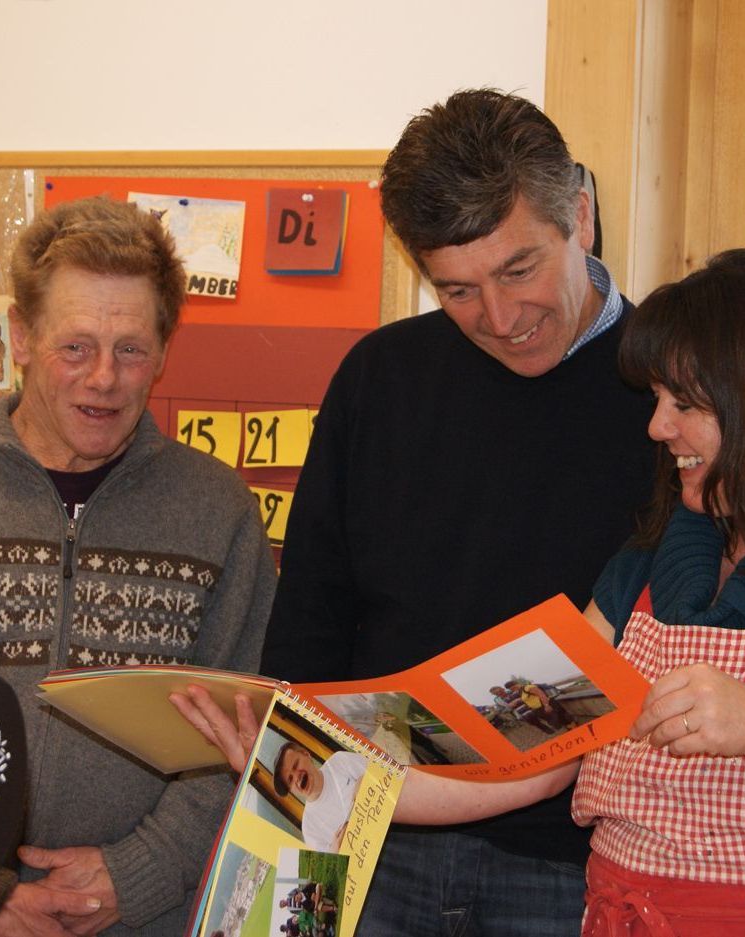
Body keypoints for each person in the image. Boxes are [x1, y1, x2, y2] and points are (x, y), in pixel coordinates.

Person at [178, 250, 745, 936]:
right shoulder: (651, 563)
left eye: (686, 404)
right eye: (658, 401)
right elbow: (503, 752)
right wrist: (299, 764)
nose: (656, 427)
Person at [258, 87, 656, 935]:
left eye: (519, 269)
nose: (502, 319)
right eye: (459, 291)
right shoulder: (380, 378)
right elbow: (311, 621)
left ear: (578, 215)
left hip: (582, 860)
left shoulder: (671, 391)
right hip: (371, 842)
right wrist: (294, 851)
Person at [0, 196, 277, 937]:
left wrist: (138, 871)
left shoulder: (220, 512)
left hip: (155, 915)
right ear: (20, 336)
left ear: (165, 349)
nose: (104, 377)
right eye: (75, 346)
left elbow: (246, 728)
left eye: (131, 349)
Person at [272, 742, 368, 852]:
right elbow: (333, 865)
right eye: (290, 779)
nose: (297, 777)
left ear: (306, 754)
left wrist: (364, 783)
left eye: (296, 765)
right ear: (291, 790)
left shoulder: (339, 762)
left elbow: (380, 774)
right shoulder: (309, 827)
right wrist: (335, 852)